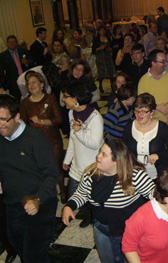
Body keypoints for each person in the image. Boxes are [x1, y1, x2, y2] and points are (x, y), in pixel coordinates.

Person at [62, 140, 155, 263]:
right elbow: (81, 194)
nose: (98, 156)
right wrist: (69, 206)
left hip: (128, 234)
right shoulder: (91, 174)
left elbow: (156, 195)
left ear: (117, 161)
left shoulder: (134, 176)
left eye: (103, 154)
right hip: (102, 230)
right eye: (100, 152)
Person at [0, 94, 58, 263]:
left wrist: (37, 199)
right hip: (12, 204)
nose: (0, 124)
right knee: (16, 242)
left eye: (4, 119)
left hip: (40, 204)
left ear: (17, 117)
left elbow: (52, 173)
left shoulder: (35, 139)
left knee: (34, 255)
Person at [19, 72, 65, 203]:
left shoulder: (50, 99)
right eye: (29, 83)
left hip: (52, 138)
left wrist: (41, 121)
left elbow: (59, 119)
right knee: (38, 169)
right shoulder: (25, 103)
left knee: (57, 166)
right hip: (35, 141)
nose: (31, 85)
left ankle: (62, 190)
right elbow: (23, 124)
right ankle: (44, 194)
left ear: (41, 84)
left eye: (34, 82)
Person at [138, 49, 168, 170]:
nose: (166, 64)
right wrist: (157, 107)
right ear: (153, 63)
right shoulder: (143, 81)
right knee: (157, 154)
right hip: (154, 124)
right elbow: (141, 103)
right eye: (163, 61)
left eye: (165, 61)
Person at [62, 81, 104, 200]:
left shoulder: (95, 117)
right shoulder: (71, 113)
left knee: (92, 206)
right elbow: (72, 138)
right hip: (76, 168)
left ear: (75, 98)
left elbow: (95, 144)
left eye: (66, 96)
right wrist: (67, 159)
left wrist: (79, 132)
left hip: (92, 169)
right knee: (72, 201)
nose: (63, 99)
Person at [123, 93, 168, 180]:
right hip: (135, 176)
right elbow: (124, 150)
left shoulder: (162, 127)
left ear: (152, 112)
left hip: (158, 176)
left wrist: (158, 156)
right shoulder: (129, 127)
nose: (139, 115)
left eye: (144, 112)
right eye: (137, 111)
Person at [0, 35, 34, 100]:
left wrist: (27, 62)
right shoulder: (3, 56)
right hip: (13, 83)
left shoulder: (23, 51)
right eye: (10, 42)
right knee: (17, 100)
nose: (12, 44)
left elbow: (32, 62)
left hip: (26, 80)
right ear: (7, 44)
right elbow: (1, 71)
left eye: (13, 42)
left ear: (16, 43)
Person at [92, 25, 116, 93]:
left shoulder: (108, 37)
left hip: (107, 56)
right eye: (101, 30)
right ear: (98, 32)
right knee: (101, 72)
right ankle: (100, 86)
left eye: (103, 30)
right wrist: (100, 48)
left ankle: (112, 86)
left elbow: (111, 46)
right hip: (100, 57)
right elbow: (93, 50)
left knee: (110, 71)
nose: (102, 32)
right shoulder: (96, 39)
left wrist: (110, 48)